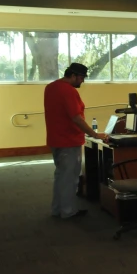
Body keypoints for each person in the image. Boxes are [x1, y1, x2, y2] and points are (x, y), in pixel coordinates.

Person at [44, 63, 108, 219]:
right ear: (72, 76)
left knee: (60, 176)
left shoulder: (50, 87)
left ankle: (57, 209)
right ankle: (68, 211)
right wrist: (94, 134)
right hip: (68, 140)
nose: (82, 81)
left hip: (55, 139)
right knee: (70, 178)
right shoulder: (68, 91)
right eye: (81, 78)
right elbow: (76, 118)